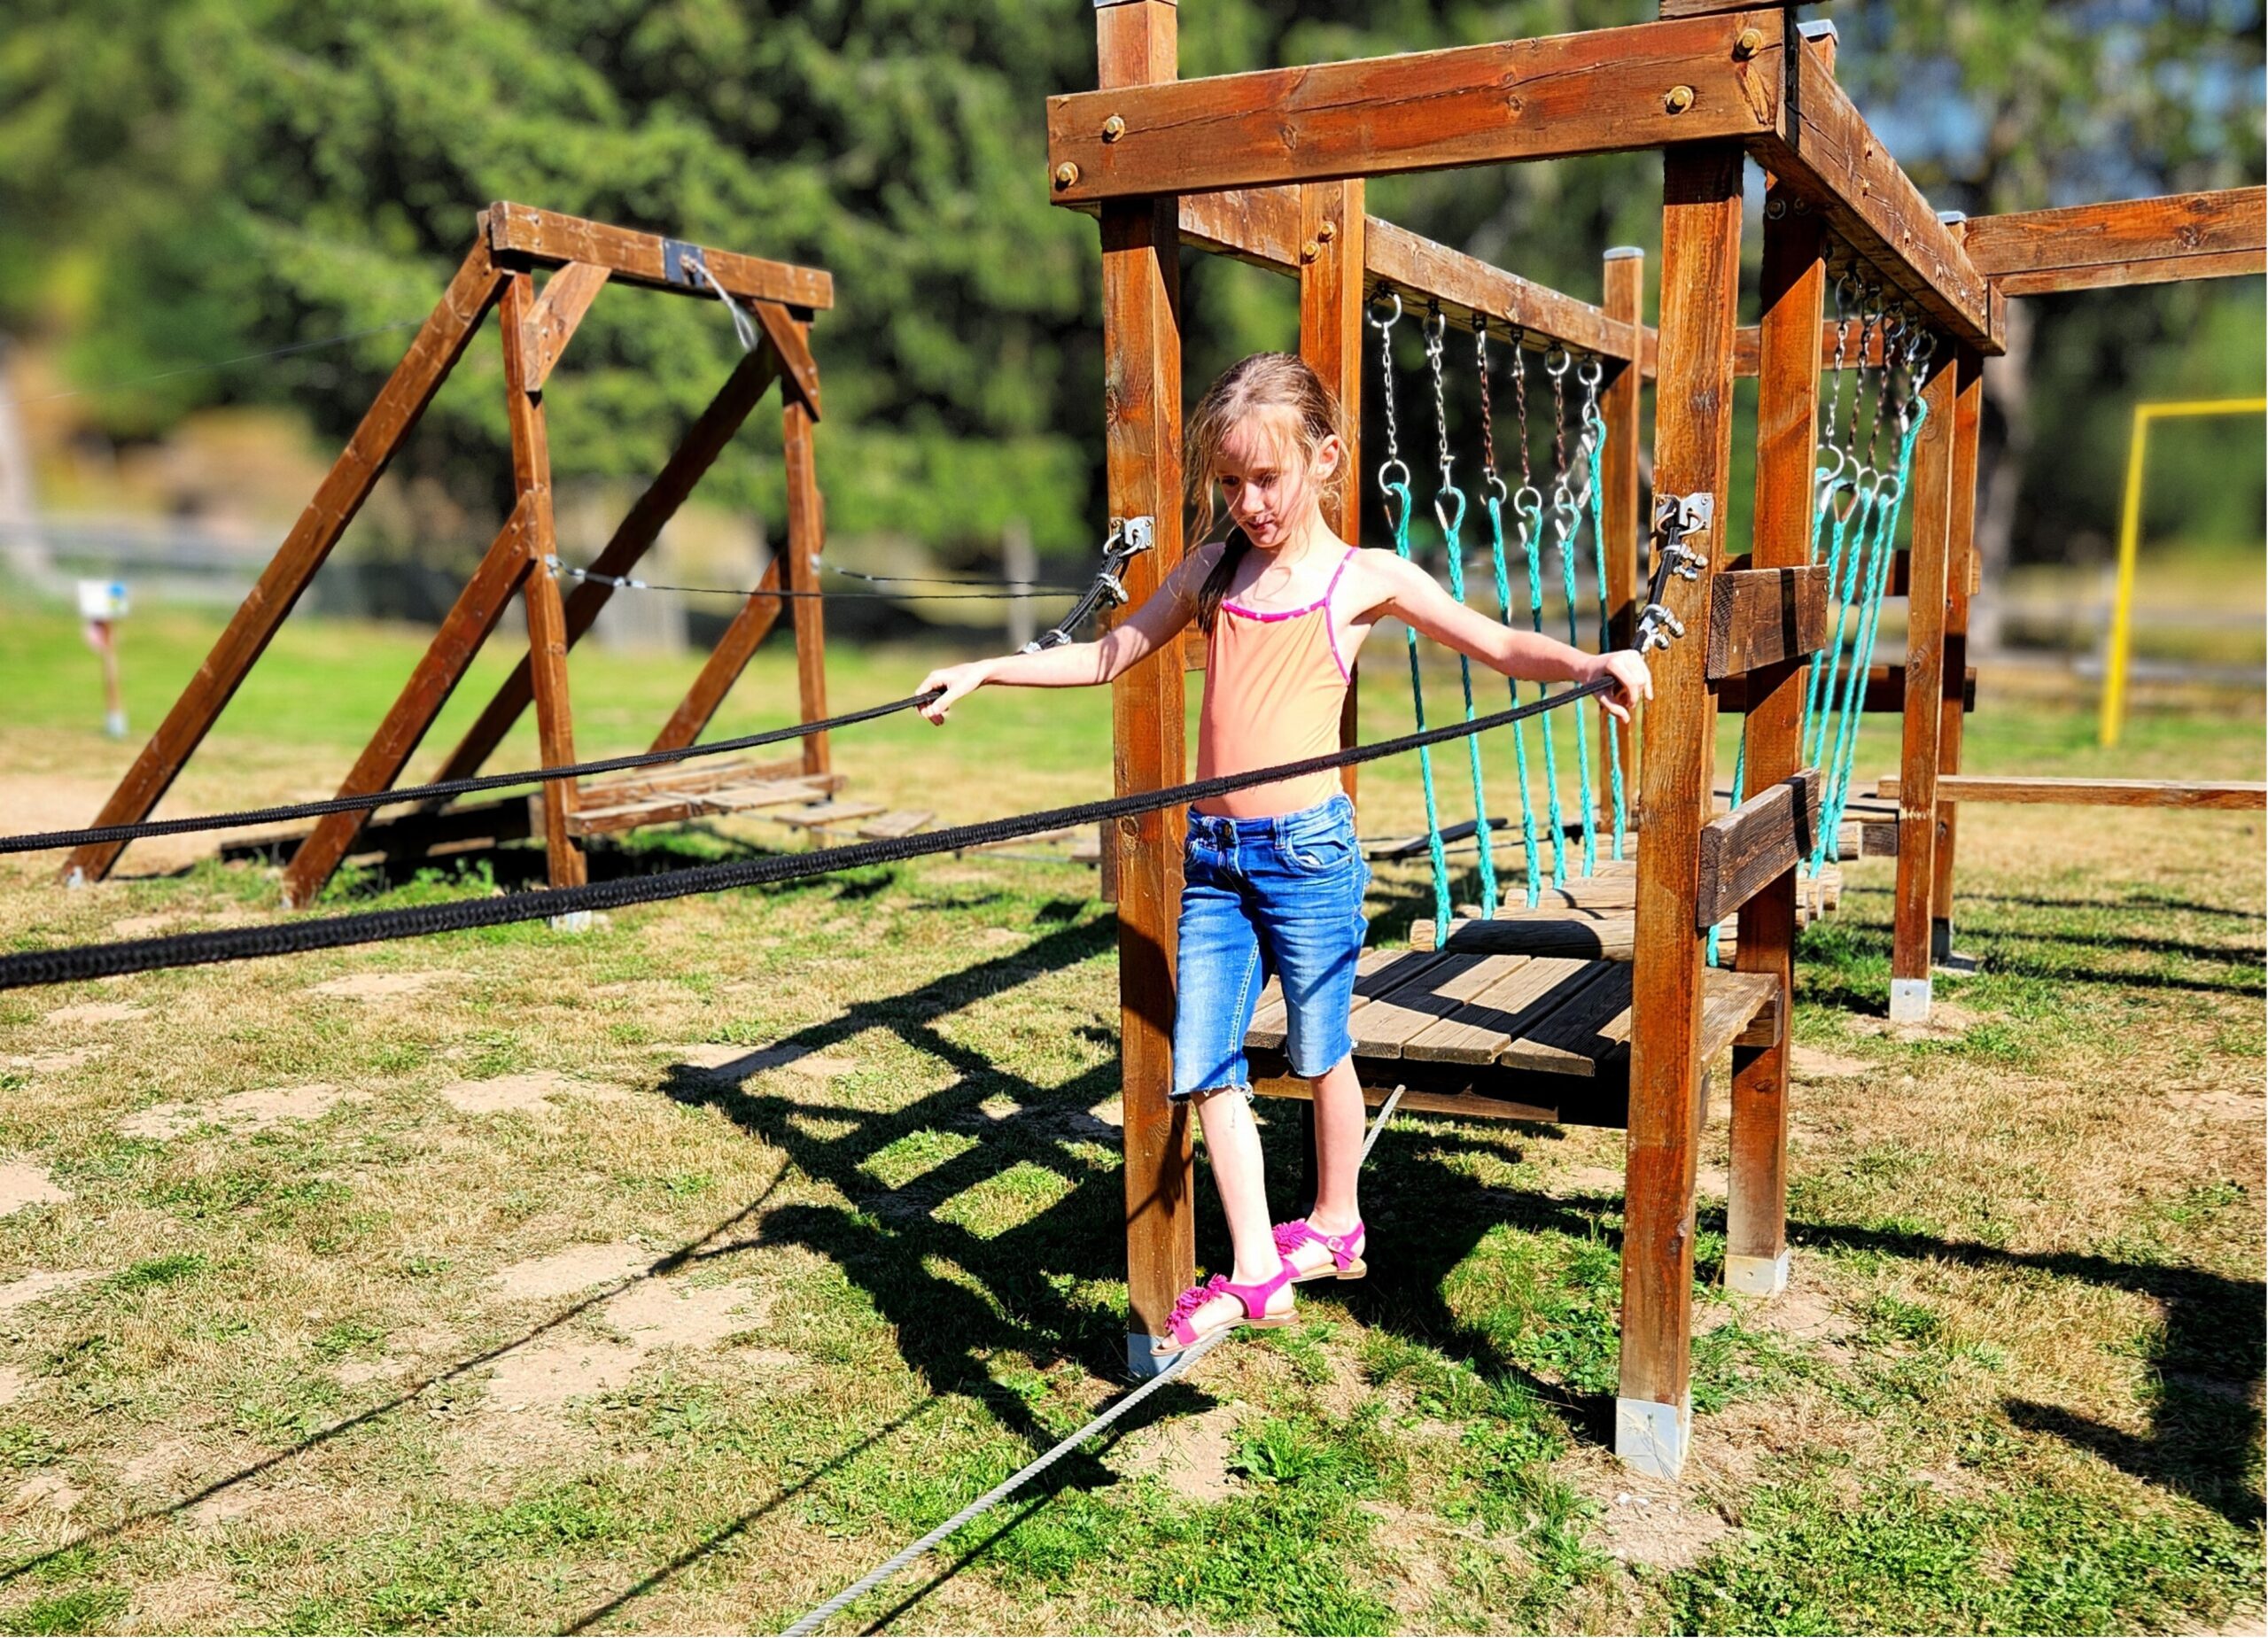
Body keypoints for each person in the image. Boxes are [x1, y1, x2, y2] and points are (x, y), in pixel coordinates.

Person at [916, 352, 1651, 1357]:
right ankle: (1257, 1261)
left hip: (1308, 856)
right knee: (1205, 1061)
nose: (1247, 501)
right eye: (1229, 483)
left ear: (1325, 459)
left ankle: (1338, 1216)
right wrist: (986, 669)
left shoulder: (1363, 579)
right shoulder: (1213, 571)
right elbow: (1108, 654)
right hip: (1213, 859)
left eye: (1265, 478)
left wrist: (1587, 661)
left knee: (1318, 1050)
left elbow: (1491, 643)